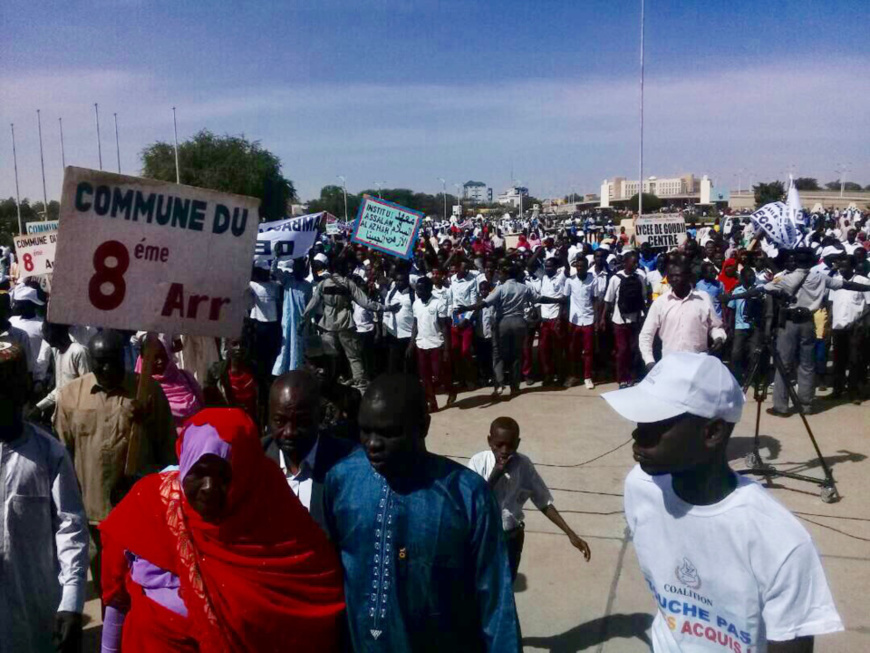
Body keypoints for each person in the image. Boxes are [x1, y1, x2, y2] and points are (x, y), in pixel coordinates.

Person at [602, 352, 844, 652]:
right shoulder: (640, 488)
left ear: (713, 432)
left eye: (656, 423)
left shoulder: (780, 541)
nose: (637, 433)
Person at [99, 408, 346, 652]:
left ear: (243, 475)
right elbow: (116, 597)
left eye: (224, 476)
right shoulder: (149, 505)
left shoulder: (274, 517)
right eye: (199, 472)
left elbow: (315, 603)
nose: (209, 487)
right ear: (184, 465)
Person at [323, 374, 520, 652]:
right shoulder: (342, 480)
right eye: (365, 431)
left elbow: (496, 604)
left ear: (423, 427)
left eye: (389, 433)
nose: (373, 444)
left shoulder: (467, 495)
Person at [54, 330, 176, 596]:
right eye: (100, 362)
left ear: (124, 357)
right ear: (91, 360)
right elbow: (62, 456)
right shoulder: (70, 396)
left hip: (140, 512)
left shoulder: (147, 391)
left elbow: (167, 450)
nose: (107, 368)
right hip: (94, 515)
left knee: (143, 587)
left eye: (113, 360)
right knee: (107, 590)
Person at [0, 343, 89, 653]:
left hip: (34, 611)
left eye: (5, 390)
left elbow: (71, 527)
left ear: (22, 392)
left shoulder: (49, 453)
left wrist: (72, 600)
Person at [468, 416, 591, 581]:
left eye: (510, 445)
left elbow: (543, 501)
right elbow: (473, 501)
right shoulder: (477, 462)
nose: (504, 450)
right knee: (481, 586)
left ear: (518, 444)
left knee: (506, 586)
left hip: (511, 539)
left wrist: (570, 533)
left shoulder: (523, 465)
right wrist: (496, 474)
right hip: (484, 540)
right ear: (490, 441)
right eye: (499, 445)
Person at [262, 371, 357, 533]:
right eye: (280, 421)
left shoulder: (347, 463)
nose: (289, 432)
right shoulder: (257, 461)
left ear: (319, 417)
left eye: (301, 421)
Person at [302, 256, 396, 390]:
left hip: (328, 324)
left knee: (329, 355)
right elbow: (366, 303)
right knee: (353, 357)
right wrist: (386, 308)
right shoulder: (348, 283)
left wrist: (303, 319)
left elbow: (312, 304)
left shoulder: (323, 284)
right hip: (345, 323)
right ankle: (361, 386)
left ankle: (329, 383)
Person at [640, 258, 727, 371]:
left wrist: (718, 337)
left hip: (698, 365)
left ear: (688, 277)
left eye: (678, 275)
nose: (673, 279)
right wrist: (649, 361)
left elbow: (715, 326)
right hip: (670, 366)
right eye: (670, 276)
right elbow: (646, 335)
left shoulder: (703, 298)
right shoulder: (660, 303)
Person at [137, 337, 204, 435]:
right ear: (145, 361)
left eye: (163, 356)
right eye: (155, 358)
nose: (160, 361)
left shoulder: (186, 377)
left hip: (197, 439)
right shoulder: (142, 389)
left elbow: (203, 406)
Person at [603, 251, 650, 387]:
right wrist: (603, 319)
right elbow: (608, 300)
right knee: (622, 350)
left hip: (635, 320)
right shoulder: (615, 279)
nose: (636, 265)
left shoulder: (640, 278)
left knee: (634, 349)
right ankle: (621, 377)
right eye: (633, 262)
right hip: (619, 321)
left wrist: (644, 316)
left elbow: (643, 298)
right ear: (625, 262)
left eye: (637, 262)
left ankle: (633, 376)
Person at [408, 276, 454, 412]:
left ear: (429, 289)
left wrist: (446, 349)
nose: (418, 292)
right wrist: (411, 343)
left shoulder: (438, 303)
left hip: (436, 344)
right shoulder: (416, 304)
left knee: (438, 374)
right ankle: (432, 403)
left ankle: (450, 388)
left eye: (421, 289)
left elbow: (444, 327)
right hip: (421, 344)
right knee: (425, 376)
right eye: (417, 289)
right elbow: (415, 324)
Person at [828, 255, 869, 402]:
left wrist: (859, 321)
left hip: (855, 328)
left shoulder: (863, 282)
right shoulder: (836, 282)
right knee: (839, 360)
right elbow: (832, 304)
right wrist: (830, 323)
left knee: (855, 361)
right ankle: (837, 390)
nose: (842, 270)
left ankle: (854, 393)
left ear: (852, 267)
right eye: (841, 267)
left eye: (845, 267)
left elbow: (868, 306)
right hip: (838, 327)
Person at [33, 321, 92, 418]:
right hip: (62, 415)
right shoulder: (59, 354)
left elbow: (87, 388)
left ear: (55, 331)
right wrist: (39, 407)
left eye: (46, 332)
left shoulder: (78, 352)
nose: (44, 337)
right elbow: (60, 390)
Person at [561, 255, 602, 389]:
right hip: (574, 320)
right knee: (573, 350)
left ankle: (587, 377)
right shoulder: (570, 281)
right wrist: (564, 318)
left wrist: (596, 319)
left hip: (588, 319)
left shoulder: (593, 280)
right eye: (577, 266)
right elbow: (565, 300)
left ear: (586, 267)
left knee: (589, 351)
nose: (579, 268)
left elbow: (595, 300)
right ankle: (573, 375)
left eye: (582, 266)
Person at [271, 256, 314, 376]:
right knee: (286, 347)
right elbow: (274, 271)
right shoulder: (288, 281)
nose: (298, 270)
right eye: (296, 267)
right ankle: (281, 373)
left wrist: (307, 322)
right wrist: (276, 256)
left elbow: (310, 306)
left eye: (301, 268)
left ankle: (296, 372)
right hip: (288, 321)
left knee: (298, 348)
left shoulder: (307, 286)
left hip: (301, 323)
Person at [723, 266, 764, 385]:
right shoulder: (737, 291)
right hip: (739, 326)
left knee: (753, 353)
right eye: (749, 275)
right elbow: (731, 309)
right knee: (736, 353)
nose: (752, 278)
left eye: (753, 275)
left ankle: (753, 377)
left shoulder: (759, 290)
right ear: (743, 278)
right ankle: (736, 377)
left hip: (754, 326)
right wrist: (729, 326)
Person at [9, 283, 50, 385]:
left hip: (33, 374)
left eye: (19, 303)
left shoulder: (41, 325)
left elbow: (45, 354)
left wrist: (39, 378)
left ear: (30, 304)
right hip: (14, 372)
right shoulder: (11, 321)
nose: (15, 305)